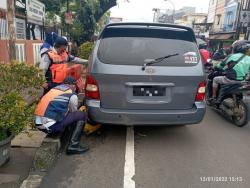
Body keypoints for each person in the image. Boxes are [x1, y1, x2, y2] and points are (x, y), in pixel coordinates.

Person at [34, 77, 89, 155]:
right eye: (75, 85)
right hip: (51, 126)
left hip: (38, 124)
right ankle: (73, 146)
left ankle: (69, 134)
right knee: (81, 115)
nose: (75, 87)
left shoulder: (54, 90)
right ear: (72, 85)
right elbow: (74, 111)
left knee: (68, 115)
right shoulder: (71, 94)